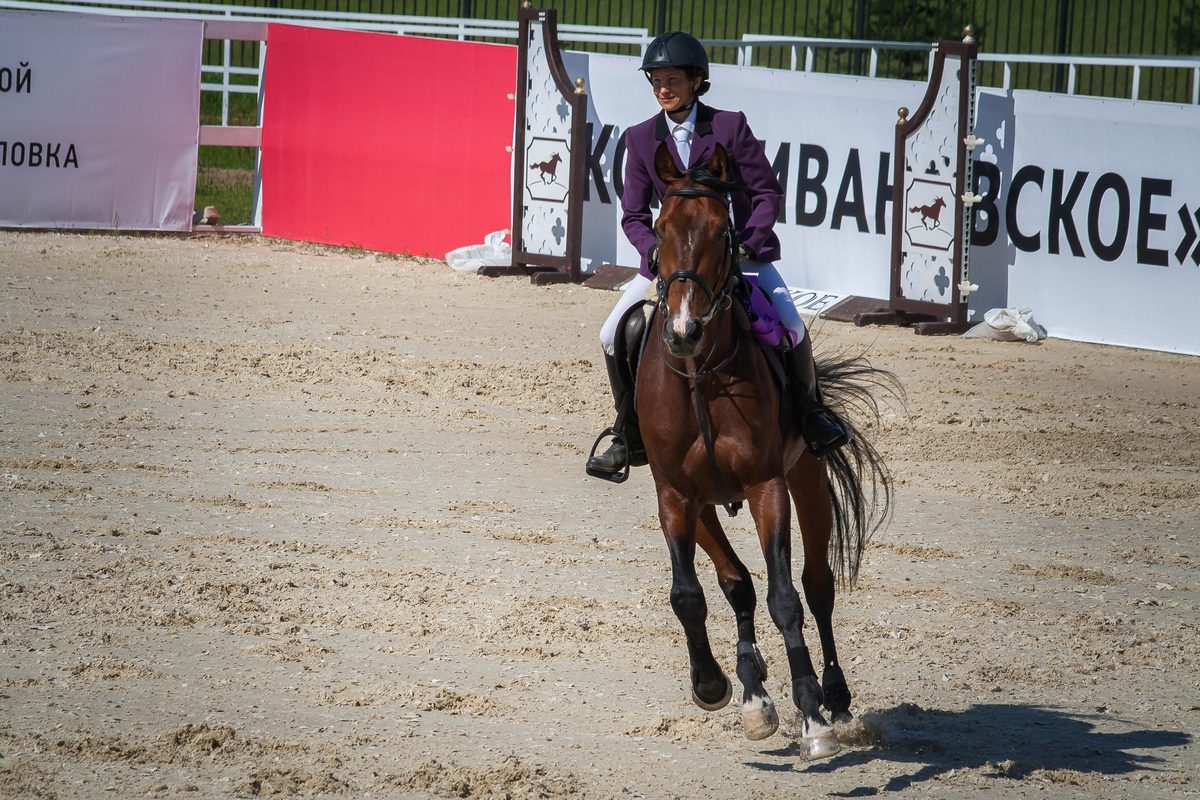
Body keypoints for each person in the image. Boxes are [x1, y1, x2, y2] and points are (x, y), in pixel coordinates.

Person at [586, 31, 851, 480]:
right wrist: (652, 251)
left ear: (696, 82)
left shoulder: (729, 127)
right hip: (672, 264)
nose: (663, 89)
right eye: (656, 80)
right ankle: (627, 431)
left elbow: (766, 191)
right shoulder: (639, 138)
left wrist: (748, 240)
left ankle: (811, 416)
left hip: (740, 256)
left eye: (672, 79)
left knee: (791, 325)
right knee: (613, 333)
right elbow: (633, 214)